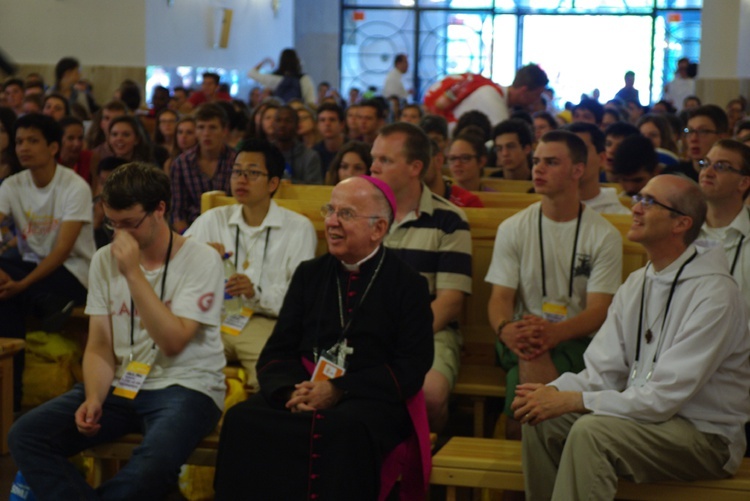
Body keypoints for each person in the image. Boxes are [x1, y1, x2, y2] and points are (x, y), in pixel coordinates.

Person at [516, 174, 750, 501]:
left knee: (592, 432)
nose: (636, 208)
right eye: (638, 198)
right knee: (540, 418)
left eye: (649, 202)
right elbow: (603, 373)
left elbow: (665, 397)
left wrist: (575, 400)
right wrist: (553, 392)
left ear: (681, 223)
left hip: (705, 436)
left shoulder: (715, 294)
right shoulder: (638, 282)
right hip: (647, 421)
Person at [9, 162, 226, 499]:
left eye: (130, 224)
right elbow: (99, 343)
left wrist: (133, 275)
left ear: (159, 210)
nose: (120, 235)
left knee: (152, 466)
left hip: (186, 385)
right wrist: (94, 396)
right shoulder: (104, 259)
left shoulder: (200, 259)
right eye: (112, 224)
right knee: (25, 435)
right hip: (121, 385)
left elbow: (172, 341)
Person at [214, 175, 434, 500]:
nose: (331, 221)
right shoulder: (310, 274)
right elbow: (278, 351)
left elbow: (412, 367)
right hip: (304, 386)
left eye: (345, 214)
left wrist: (338, 389)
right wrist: (293, 391)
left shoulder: (408, 284)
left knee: (344, 430)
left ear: (378, 228)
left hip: (371, 399)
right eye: (330, 210)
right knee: (242, 419)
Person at [486, 130, 622, 440]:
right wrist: (505, 328)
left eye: (551, 162)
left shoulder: (603, 235)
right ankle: (548, 455)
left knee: (518, 385)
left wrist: (554, 333)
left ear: (577, 170)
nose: (538, 169)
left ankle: (522, 470)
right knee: (529, 345)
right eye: (536, 161)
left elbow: (599, 310)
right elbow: (500, 298)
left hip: (577, 339)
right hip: (520, 332)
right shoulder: (513, 228)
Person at [185, 139, 316, 387]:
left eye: (253, 172)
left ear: (273, 183)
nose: (241, 179)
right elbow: (175, 263)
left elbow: (299, 299)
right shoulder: (213, 219)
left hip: (265, 323)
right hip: (214, 319)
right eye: (237, 171)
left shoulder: (298, 228)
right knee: (182, 366)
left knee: (271, 379)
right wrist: (198, 256)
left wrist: (255, 292)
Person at [371, 122, 473, 431]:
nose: (373, 167)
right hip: (367, 329)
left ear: (415, 167)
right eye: (373, 158)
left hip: (430, 331)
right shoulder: (363, 213)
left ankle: (424, 465)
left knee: (428, 394)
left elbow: (450, 302)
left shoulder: (449, 220)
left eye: (385, 160)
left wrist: (400, 340)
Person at [0, 113, 95, 409]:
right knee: (7, 295)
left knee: (11, 295)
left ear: (53, 147)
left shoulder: (74, 186)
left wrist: (22, 284)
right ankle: (11, 395)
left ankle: (10, 398)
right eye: (18, 142)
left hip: (73, 273)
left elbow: (63, 250)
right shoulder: (12, 185)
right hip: (31, 268)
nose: (23, 148)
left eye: (32, 141)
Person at [698, 139, 750, 307]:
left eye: (721, 167)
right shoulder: (682, 227)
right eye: (705, 164)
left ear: (743, 183)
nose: (708, 172)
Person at [170, 104, 237, 232]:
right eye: (201, 127)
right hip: (193, 228)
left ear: (224, 131)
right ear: (195, 131)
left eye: (213, 128)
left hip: (230, 228)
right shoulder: (182, 163)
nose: (206, 134)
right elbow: (177, 213)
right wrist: (189, 239)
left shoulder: (236, 161)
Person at [567, 122, 630, 214]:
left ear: (601, 158)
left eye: (580, 150)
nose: (571, 158)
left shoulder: (621, 216)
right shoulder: (542, 210)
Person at [424, 138, 483, 208]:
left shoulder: (469, 201)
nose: (457, 164)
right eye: (452, 158)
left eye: (465, 158)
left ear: (439, 160)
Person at [270, 105, 322, 184]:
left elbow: (314, 190)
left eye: (288, 121)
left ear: (297, 125)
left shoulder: (310, 156)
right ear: (273, 124)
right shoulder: (265, 153)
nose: (282, 125)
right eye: (278, 120)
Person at [248, 49, 316, 107]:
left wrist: (264, 61)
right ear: (297, 61)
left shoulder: (274, 78)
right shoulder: (304, 79)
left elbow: (251, 73)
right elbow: (310, 102)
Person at [57, 116, 93, 185]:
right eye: (71, 138)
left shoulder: (90, 158)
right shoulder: (50, 162)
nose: (77, 144)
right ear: (59, 140)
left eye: (80, 138)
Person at [313, 102, 345, 177]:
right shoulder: (314, 152)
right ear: (317, 125)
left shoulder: (353, 148)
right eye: (322, 120)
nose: (327, 124)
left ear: (342, 125)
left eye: (332, 120)